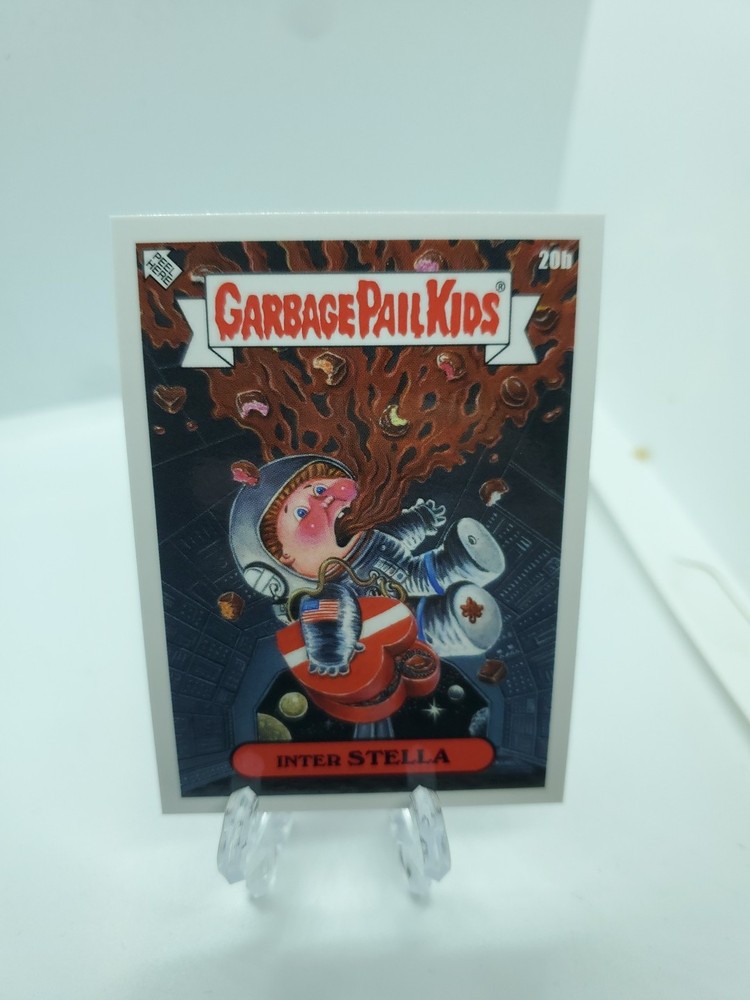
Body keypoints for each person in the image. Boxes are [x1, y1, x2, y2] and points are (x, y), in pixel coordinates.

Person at [229, 454, 504, 677]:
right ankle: (452, 625)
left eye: (320, 489)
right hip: (393, 622)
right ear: (285, 558)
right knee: (417, 625)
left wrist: (419, 520)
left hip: (408, 570)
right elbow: (326, 622)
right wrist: (329, 652)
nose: (323, 499)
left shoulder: (368, 536)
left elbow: (395, 534)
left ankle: (463, 562)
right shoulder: (327, 591)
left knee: (424, 573)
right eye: (301, 513)